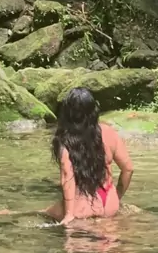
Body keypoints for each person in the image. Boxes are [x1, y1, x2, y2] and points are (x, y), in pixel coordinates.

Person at [44, 87, 134, 225]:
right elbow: (128, 169)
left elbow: (67, 177)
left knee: (44, 213)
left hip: (81, 207)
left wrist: (69, 214)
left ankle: (14, 213)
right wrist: (117, 196)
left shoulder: (65, 139)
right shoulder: (108, 132)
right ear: (94, 109)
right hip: (109, 204)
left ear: (67, 113)